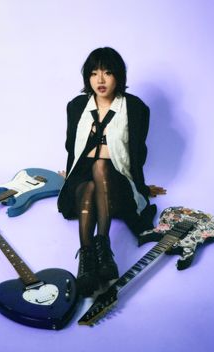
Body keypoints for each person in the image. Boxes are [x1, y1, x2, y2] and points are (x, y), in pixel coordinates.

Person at [57, 47, 166, 297]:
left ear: (119, 76)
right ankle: (90, 256)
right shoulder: (76, 107)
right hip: (84, 179)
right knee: (89, 183)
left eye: (107, 73)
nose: (101, 80)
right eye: (94, 73)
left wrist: (141, 185)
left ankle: (101, 245)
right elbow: (71, 148)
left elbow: (137, 153)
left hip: (116, 182)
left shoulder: (136, 108)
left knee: (101, 165)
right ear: (87, 78)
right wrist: (70, 174)